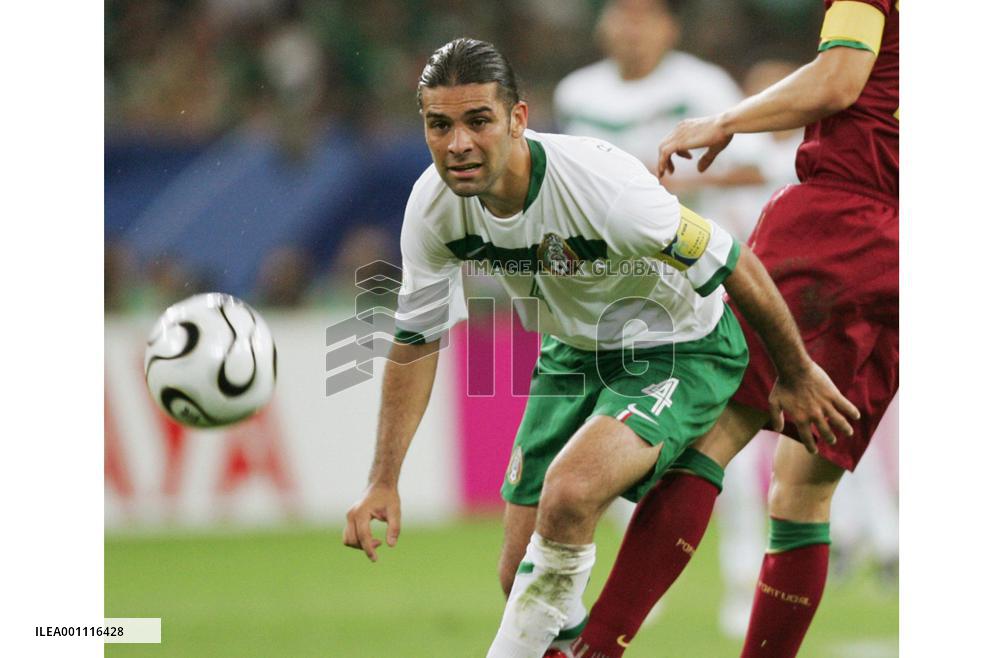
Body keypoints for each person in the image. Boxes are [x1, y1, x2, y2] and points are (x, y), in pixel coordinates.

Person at [340, 38, 858, 658]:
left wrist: (795, 370)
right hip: (571, 353)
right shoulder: (432, 207)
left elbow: (731, 259)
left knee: (571, 490)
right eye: (439, 125)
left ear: (517, 118)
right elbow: (417, 339)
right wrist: (382, 479)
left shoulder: (601, 185)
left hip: (678, 343)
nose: (458, 144)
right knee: (520, 580)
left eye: (478, 121)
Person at [574, 2, 898, 656]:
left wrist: (726, 120)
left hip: (837, 223)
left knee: (709, 430)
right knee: (804, 487)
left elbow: (838, 80)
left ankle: (592, 647)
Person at [554, 0, 767, 238]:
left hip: (689, 239)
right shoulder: (574, 92)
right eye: (623, 15)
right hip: (602, 241)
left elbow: (756, 170)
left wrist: (672, 183)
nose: (632, 30)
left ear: (671, 28)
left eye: (646, 17)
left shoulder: (705, 84)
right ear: (601, 24)